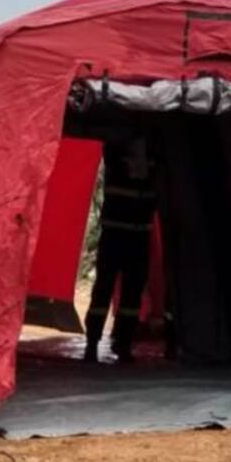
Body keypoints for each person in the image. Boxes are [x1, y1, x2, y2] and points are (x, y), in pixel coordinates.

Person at [83, 136, 156, 363]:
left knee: (132, 296)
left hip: (138, 236)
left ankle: (123, 343)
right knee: (103, 290)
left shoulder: (154, 154)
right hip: (116, 235)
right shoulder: (116, 152)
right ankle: (92, 343)